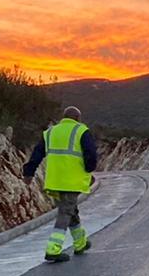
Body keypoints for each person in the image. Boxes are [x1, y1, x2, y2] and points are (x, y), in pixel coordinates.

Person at [23, 106, 98, 262]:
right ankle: (53, 249)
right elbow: (90, 154)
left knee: (70, 210)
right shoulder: (81, 131)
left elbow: (37, 153)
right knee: (65, 213)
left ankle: (80, 243)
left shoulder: (50, 132)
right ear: (77, 118)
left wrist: (29, 172)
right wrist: (89, 169)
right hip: (71, 181)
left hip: (54, 181)